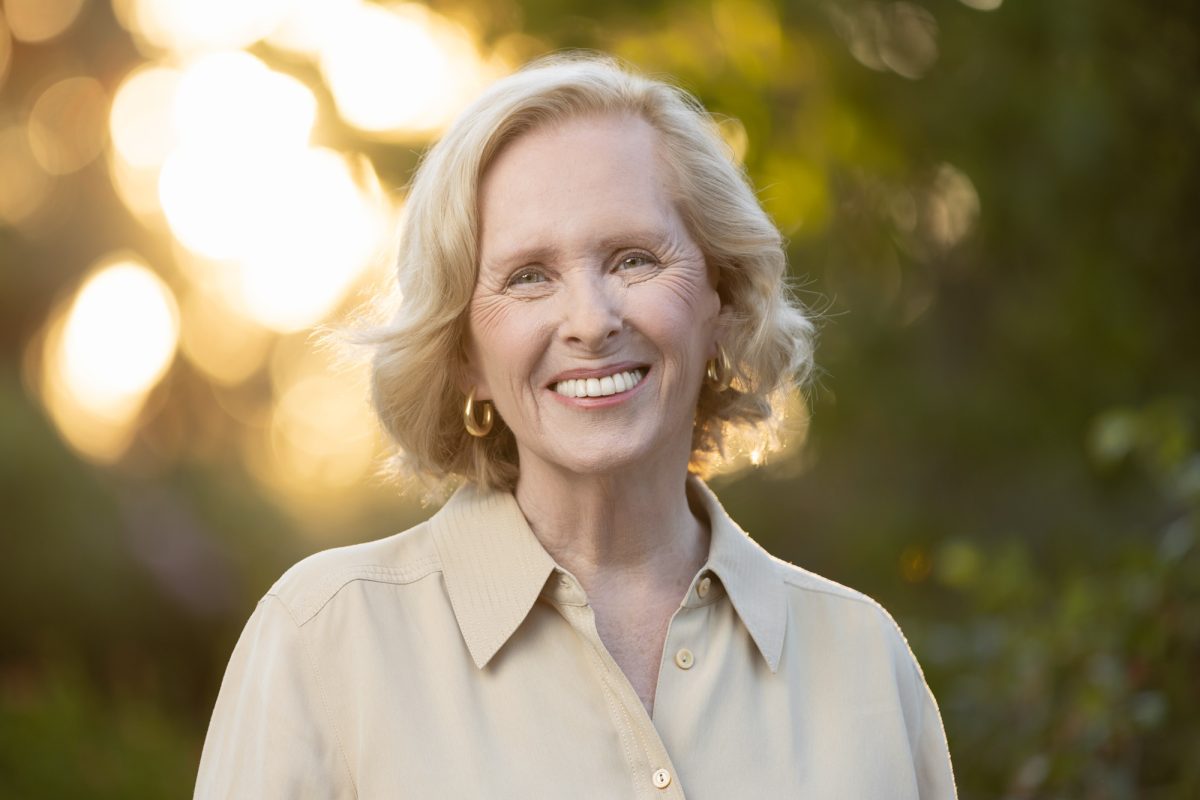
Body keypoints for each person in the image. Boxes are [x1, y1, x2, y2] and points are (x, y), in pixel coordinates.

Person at [195, 54, 956, 798]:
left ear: (720, 298)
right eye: (529, 276)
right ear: (463, 353)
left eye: (633, 259)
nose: (591, 322)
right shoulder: (325, 641)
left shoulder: (863, 662)